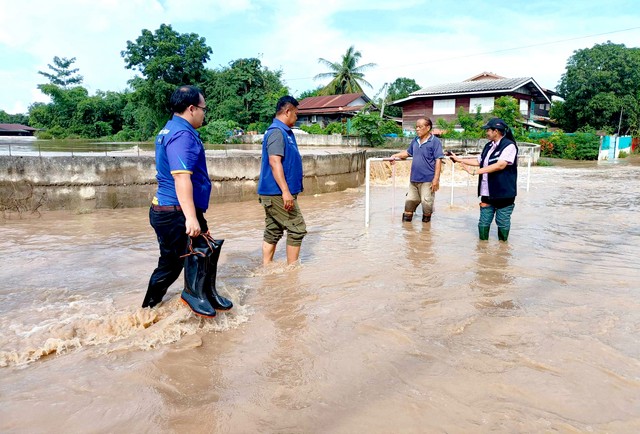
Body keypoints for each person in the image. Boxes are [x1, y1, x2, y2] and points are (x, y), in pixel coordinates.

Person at [142, 85, 232, 316]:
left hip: (177, 208)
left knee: (205, 247)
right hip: (175, 211)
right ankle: (149, 309)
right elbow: (181, 177)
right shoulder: (182, 135)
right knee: (172, 264)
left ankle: (206, 293)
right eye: (203, 108)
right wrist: (191, 218)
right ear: (191, 109)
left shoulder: (172, 129)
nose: (204, 113)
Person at [449, 117, 518, 241]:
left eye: (488, 130)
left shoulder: (509, 146)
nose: (486, 133)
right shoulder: (488, 146)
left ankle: (502, 251)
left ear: (496, 131)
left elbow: (500, 165)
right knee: (483, 222)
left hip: (504, 191)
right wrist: (459, 159)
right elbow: (478, 161)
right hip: (487, 191)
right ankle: (482, 252)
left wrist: (475, 172)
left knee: (502, 221)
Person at [257, 95, 307, 265]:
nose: (297, 117)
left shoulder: (285, 132)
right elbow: (274, 161)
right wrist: (286, 192)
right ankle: (291, 272)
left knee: (274, 229)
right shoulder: (277, 132)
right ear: (287, 111)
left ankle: (267, 268)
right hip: (277, 192)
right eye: (296, 113)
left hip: (277, 192)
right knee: (297, 228)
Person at [390, 117, 445, 223]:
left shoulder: (435, 142)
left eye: (420, 127)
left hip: (427, 179)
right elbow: (407, 153)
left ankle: (426, 234)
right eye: (416, 127)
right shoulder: (415, 140)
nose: (417, 129)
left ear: (428, 128)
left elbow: (438, 160)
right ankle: (407, 234)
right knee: (409, 203)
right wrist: (394, 155)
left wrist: (436, 179)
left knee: (426, 205)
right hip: (414, 179)